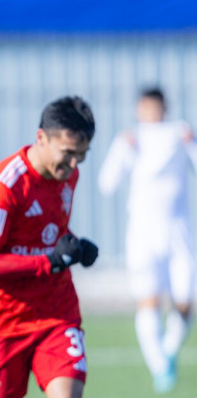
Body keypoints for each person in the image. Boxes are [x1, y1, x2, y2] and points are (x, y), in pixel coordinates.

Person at [0, 96, 99, 398]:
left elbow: (50, 230)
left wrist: (76, 247)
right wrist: (49, 261)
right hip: (1, 320)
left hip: (56, 312)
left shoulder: (68, 175)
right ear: (41, 138)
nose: (74, 164)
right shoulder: (1, 187)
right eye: (68, 153)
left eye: (82, 155)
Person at [97, 87, 196, 394]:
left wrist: (191, 144)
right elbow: (107, 183)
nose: (150, 113)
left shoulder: (180, 133)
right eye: (144, 107)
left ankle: (168, 350)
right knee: (149, 300)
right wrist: (124, 150)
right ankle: (159, 367)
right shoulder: (131, 139)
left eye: (155, 107)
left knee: (185, 301)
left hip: (177, 232)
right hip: (142, 233)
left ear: (164, 108)